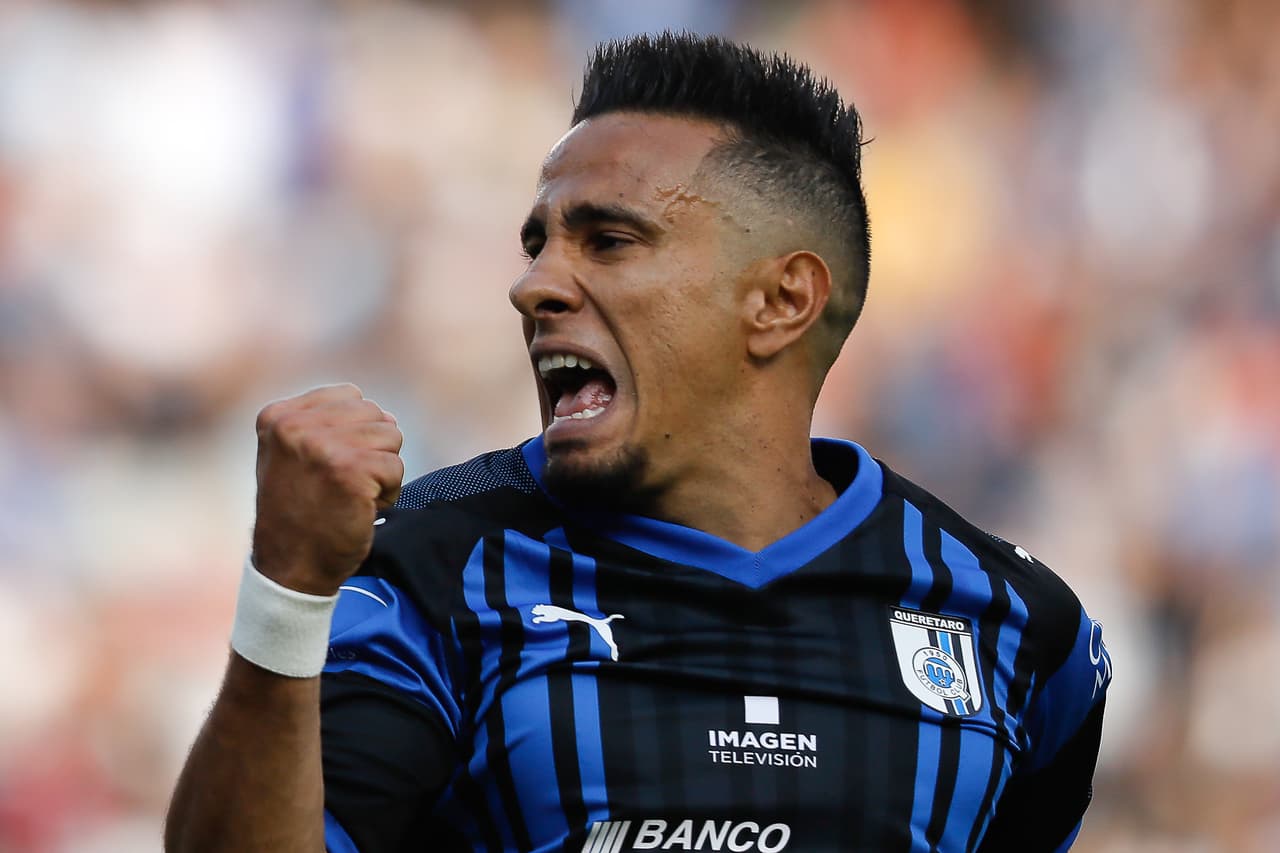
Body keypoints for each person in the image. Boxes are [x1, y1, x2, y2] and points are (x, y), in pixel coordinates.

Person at [166, 32, 1111, 853]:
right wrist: (287, 591)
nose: (534, 285)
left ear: (781, 300)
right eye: (538, 243)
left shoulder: (1022, 629)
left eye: (609, 240)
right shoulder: (429, 573)